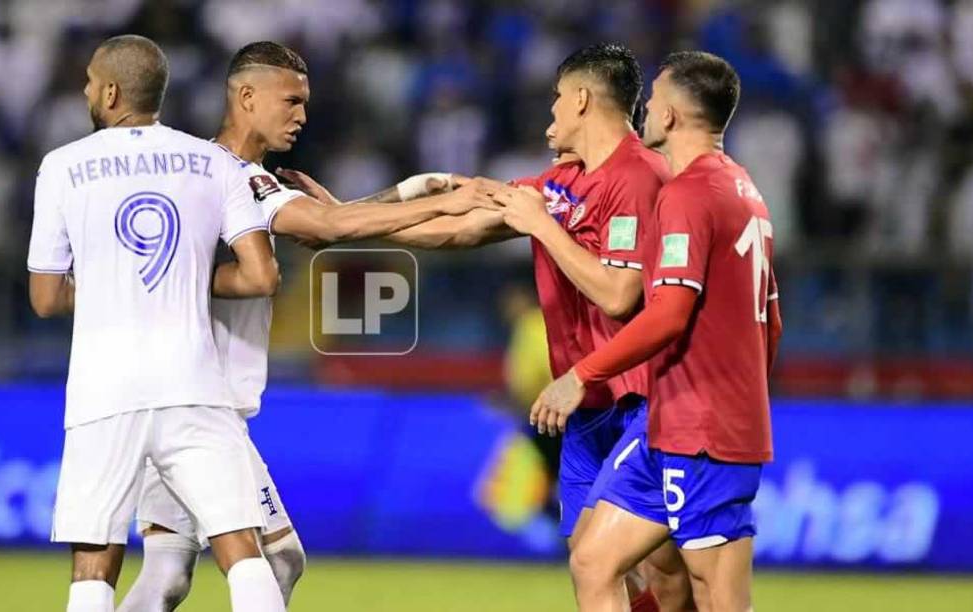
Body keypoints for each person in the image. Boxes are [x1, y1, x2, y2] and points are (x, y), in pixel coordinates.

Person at [288, 42, 690, 612]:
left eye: (555, 100)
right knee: (594, 564)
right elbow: (460, 226)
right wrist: (344, 222)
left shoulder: (638, 176)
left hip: (639, 398)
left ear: (581, 99)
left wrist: (543, 230)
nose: (550, 113)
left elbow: (622, 294)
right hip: (585, 408)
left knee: (660, 573)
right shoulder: (561, 183)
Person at [118, 40, 499, 612]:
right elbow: (327, 224)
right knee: (280, 559)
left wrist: (408, 190)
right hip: (200, 407)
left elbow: (322, 225)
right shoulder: (237, 177)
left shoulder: (210, 172)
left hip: (165, 395)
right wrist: (444, 205)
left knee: (168, 575)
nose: (301, 115)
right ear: (246, 96)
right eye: (290, 101)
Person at [27, 35, 285, 612]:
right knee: (240, 546)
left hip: (103, 392)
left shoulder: (63, 166)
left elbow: (45, 298)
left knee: (94, 561)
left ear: (111, 91)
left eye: (91, 83)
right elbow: (261, 276)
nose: (87, 91)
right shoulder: (214, 163)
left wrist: (105, 283)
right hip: (194, 386)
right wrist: (187, 278)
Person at [530, 51, 781, 611]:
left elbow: (667, 312)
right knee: (594, 561)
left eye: (654, 98)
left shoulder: (689, 194)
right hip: (674, 421)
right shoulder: (743, 190)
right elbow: (773, 318)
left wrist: (582, 374)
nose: (644, 108)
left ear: (668, 116)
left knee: (714, 595)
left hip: (706, 431)